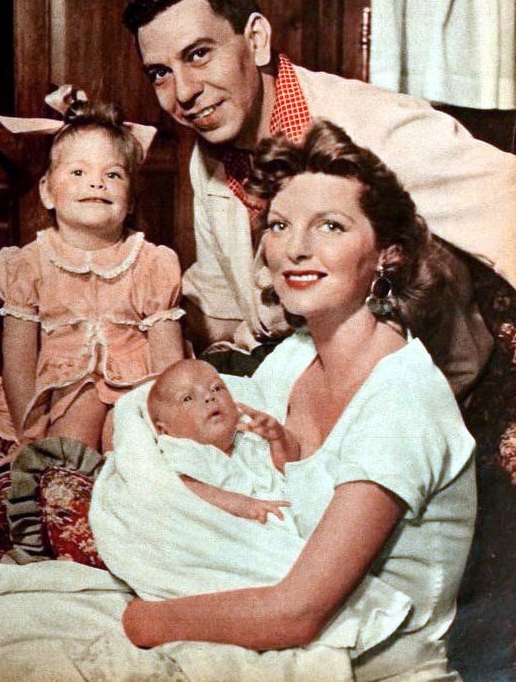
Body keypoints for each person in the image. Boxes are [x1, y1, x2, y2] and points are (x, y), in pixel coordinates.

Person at [121, 119, 477, 681]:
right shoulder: (294, 356)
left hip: (369, 656)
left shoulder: (401, 403)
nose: (295, 249)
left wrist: (145, 621)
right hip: (271, 607)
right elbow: (228, 462)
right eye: (281, 225)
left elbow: (299, 613)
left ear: (388, 254)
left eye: (330, 226)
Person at [122, 0, 516, 390]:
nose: (182, 93)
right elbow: (223, 309)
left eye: (199, 54)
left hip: (413, 396)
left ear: (256, 40)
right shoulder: (211, 156)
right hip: (300, 382)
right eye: (160, 72)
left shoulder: (375, 127)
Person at [0, 93, 184, 452]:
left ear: (131, 199)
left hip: (140, 390)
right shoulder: (29, 265)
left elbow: (170, 360)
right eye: (78, 172)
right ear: (47, 192)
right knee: (75, 429)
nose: (97, 183)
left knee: (132, 444)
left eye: (113, 174)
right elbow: (18, 361)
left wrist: (175, 422)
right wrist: (27, 431)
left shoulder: (152, 263)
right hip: (63, 392)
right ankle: (66, 486)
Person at [148, 358, 298, 523]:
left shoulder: (249, 434)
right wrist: (241, 505)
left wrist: (278, 438)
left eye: (217, 388)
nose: (209, 397)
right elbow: (181, 489)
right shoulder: (182, 449)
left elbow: (289, 467)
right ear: (165, 429)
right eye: (187, 398)